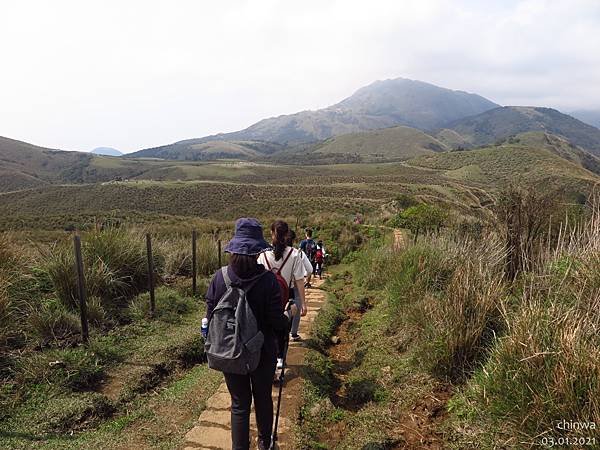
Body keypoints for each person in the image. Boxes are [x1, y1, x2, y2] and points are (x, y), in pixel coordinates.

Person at [206, 218, 298, 450]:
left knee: (239, 403)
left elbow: (211, 314)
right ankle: (265, 443)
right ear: (257, 249)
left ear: (234, 247)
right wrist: (290, 314)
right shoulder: (268, 280)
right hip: (262, 353)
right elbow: (277, 322)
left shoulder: (220, 277)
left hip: (230, 351)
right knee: (263, 398)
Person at [258, 220, 307, 368]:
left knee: (267, 328)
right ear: (287, 235)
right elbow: (299, 280)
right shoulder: (295, 254)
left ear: (272, 234)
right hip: (287, 296)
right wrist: (303, 303)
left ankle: (267, 360)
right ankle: (280, 358)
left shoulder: (263, 256)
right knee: (283, 327)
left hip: (266, 297)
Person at [286, 229, 314, 341]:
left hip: (279, 285)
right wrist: (304, 277)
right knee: (296, 306)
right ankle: (293, 333)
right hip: (295, 283)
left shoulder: (271, 253)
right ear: (293, 240)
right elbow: (310, 269)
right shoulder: (298, 253)